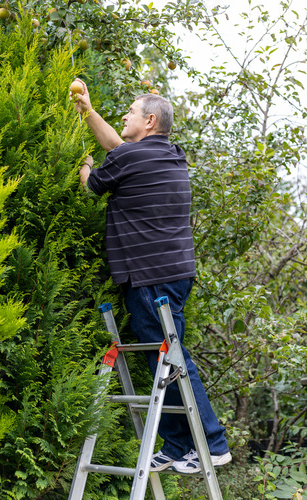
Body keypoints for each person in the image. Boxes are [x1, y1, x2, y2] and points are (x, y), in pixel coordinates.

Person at [71, 80, 232, 474]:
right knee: (165, 360)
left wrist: (85, 164)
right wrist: (88, 111)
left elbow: (92, 184)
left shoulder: (131, 159)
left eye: (129, 111)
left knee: (174, 359)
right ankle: (178, 446)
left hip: (149, 277)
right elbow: (119, 147)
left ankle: (213, 444)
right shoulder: (170, 155)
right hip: (173, 273)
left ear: (149, 120)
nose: (123, 116)